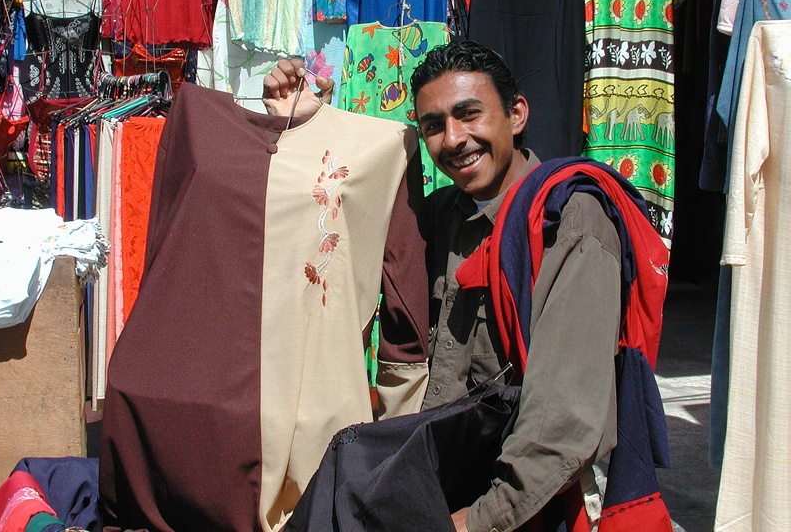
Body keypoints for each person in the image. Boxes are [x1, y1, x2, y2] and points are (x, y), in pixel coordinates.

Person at [263, 41, 661, 532]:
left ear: (516, 114)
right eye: (433, 125)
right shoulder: (435, 217)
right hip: (430, 486)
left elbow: (561, 424)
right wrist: (306, 125)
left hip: (515, 511)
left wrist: (471, 523)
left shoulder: (567, 221)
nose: (453, 139)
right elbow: (333, 219)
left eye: (469, 114)